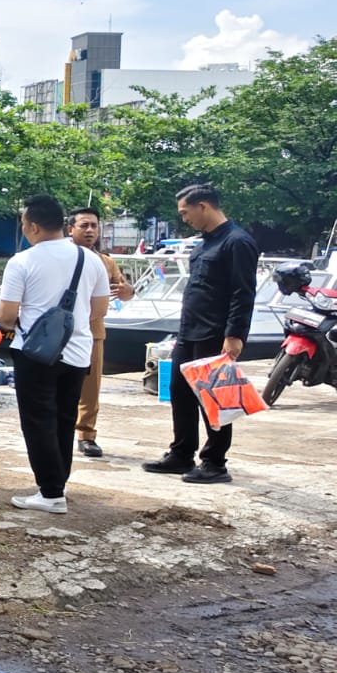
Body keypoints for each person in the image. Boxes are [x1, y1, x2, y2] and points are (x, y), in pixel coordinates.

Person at [0, 195, 110, 514]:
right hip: (78, 353)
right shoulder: (91, 260)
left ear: (32, 225)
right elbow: (99, 309)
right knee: (64, 418)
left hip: (36, 354)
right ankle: (58, 484)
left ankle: (50, 492)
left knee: (37, 421)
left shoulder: (22, 261)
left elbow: (5, 316)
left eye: (23, 224)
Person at [142, 184, 260, 484]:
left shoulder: (237, 242)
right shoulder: (203, 243)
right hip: (189, 331)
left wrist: (234, 336)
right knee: (180, 394)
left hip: (216, 333)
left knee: (214, 398)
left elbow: (242, 293)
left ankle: (215, 461)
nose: (184, 219)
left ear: (203, 206)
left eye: (185, 212)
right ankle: (182, 453)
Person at [67, 208, 136, 458]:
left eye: (94, 226)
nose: (90, 231)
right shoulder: (63, 257)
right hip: (60, 331)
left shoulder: (106, 261)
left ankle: (86, 434)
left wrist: (128, 291)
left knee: (91, 385)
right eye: (84, 225)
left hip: (93, 330)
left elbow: (124, 289)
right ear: (70, 229)